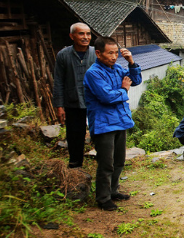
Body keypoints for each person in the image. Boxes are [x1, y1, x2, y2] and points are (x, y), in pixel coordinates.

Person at [84, 37, 142, 211]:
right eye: (110, 53)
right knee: (106, 163)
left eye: (116, 53)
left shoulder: (117, 69)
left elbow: (136, 80)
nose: (114, 57)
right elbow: (107, 97)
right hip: (104, 124)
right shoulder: (93, 73)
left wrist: (131, 61)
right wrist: (124, 89)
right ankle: (103, 198)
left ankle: (113, 190)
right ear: (98, 53)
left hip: (120, 121)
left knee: (119, 161)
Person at [53, 23, 96, 169]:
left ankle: (104, 163)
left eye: (88, 34)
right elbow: (58, 81)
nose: (86, 37)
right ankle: (75, 164)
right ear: (72, 36)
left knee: (100, 132)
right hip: (73, 101)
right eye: (81, 34)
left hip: (94, 101)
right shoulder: (63, 55)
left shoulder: (96, 53)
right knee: (74, 135)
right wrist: (59, 106)